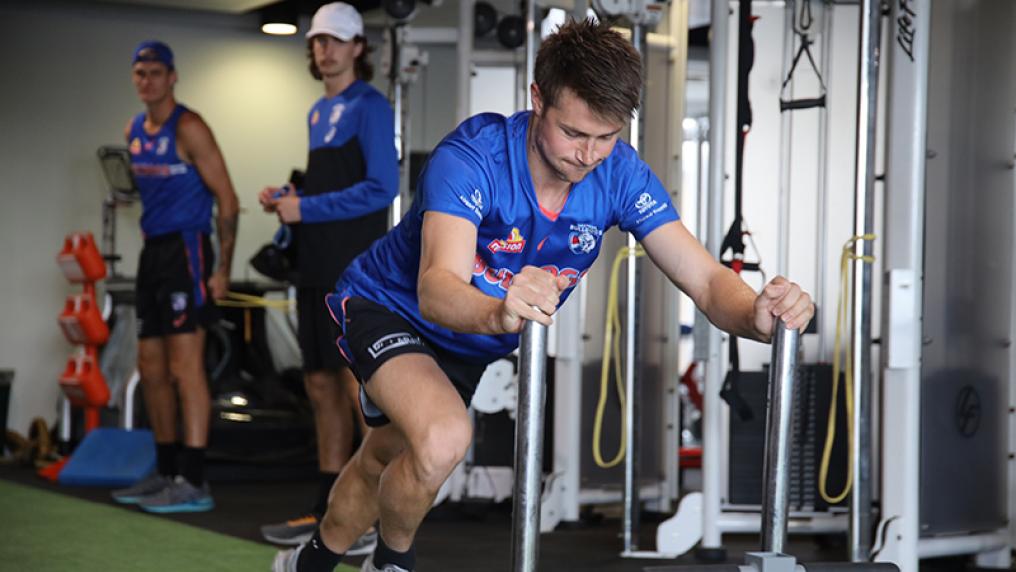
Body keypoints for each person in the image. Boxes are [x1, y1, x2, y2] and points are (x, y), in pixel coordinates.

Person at [273, 19, 814, 572]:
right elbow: (437, 288)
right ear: (537, 100)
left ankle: (307, 563)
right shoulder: (474, 156)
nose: (589, 154)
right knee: (442, 439)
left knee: (385, 457)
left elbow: (703, 279)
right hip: (391, 304)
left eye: (607, 136)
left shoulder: (622, 174)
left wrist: (756, 312)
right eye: (574, 133)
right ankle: (390, 565)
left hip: (468, 339)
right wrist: (502, 308)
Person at [257, 2, 399, 554]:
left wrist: (307, 209)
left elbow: (381, 189)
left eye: (338, 41)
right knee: (318, 385)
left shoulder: (371, 105)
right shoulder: (319, 112)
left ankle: (370, 519)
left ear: (358, 47)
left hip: (355, 268)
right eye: (319, 41)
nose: (327, 50)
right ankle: (326, 511)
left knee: (353, 387)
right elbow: (327, 192)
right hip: (314, 263)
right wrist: (293, 201)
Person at [110, 40, 239, 513]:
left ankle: (194, 479)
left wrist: (222, 268)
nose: (148, 81)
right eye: (140, 73)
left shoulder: (190, 127)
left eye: (156, 73)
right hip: (153, 254)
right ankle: (165, 472)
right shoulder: (133, 130)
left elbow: (227, 198)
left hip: (189, 250)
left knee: (187, 368)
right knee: (151, 368)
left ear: (173, 77)